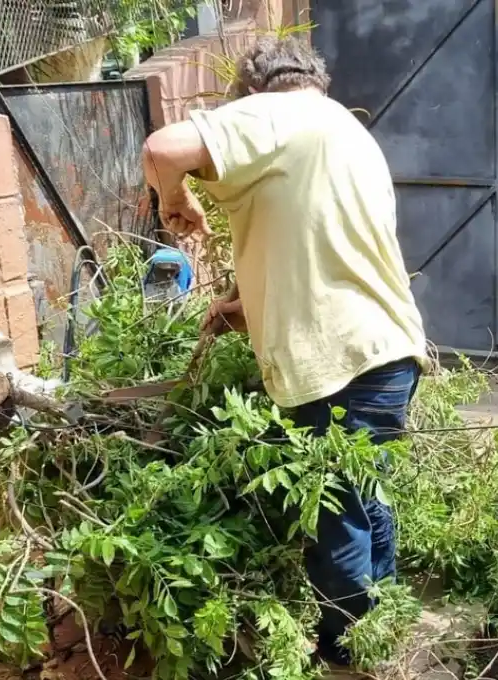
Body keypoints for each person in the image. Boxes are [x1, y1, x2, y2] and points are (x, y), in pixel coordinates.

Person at [141, 34, 429, 669]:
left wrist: (174, 197)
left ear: (251, 92)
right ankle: (383, 627)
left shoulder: (276, 113)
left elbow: (162, 149)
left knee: (336, 523)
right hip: (388, 350)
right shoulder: (347, 133)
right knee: (365, 493)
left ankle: (343, 656)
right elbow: (320, 240)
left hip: (336, 361)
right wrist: (250, 303)